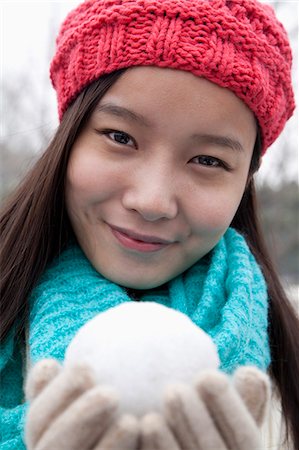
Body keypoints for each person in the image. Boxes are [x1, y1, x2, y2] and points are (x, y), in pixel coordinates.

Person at [0, 0, 298, 448]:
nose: (152, 201)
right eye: (120, 137)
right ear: (69, 137)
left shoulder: (284, 388)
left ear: (245, 183)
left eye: (208, 160)